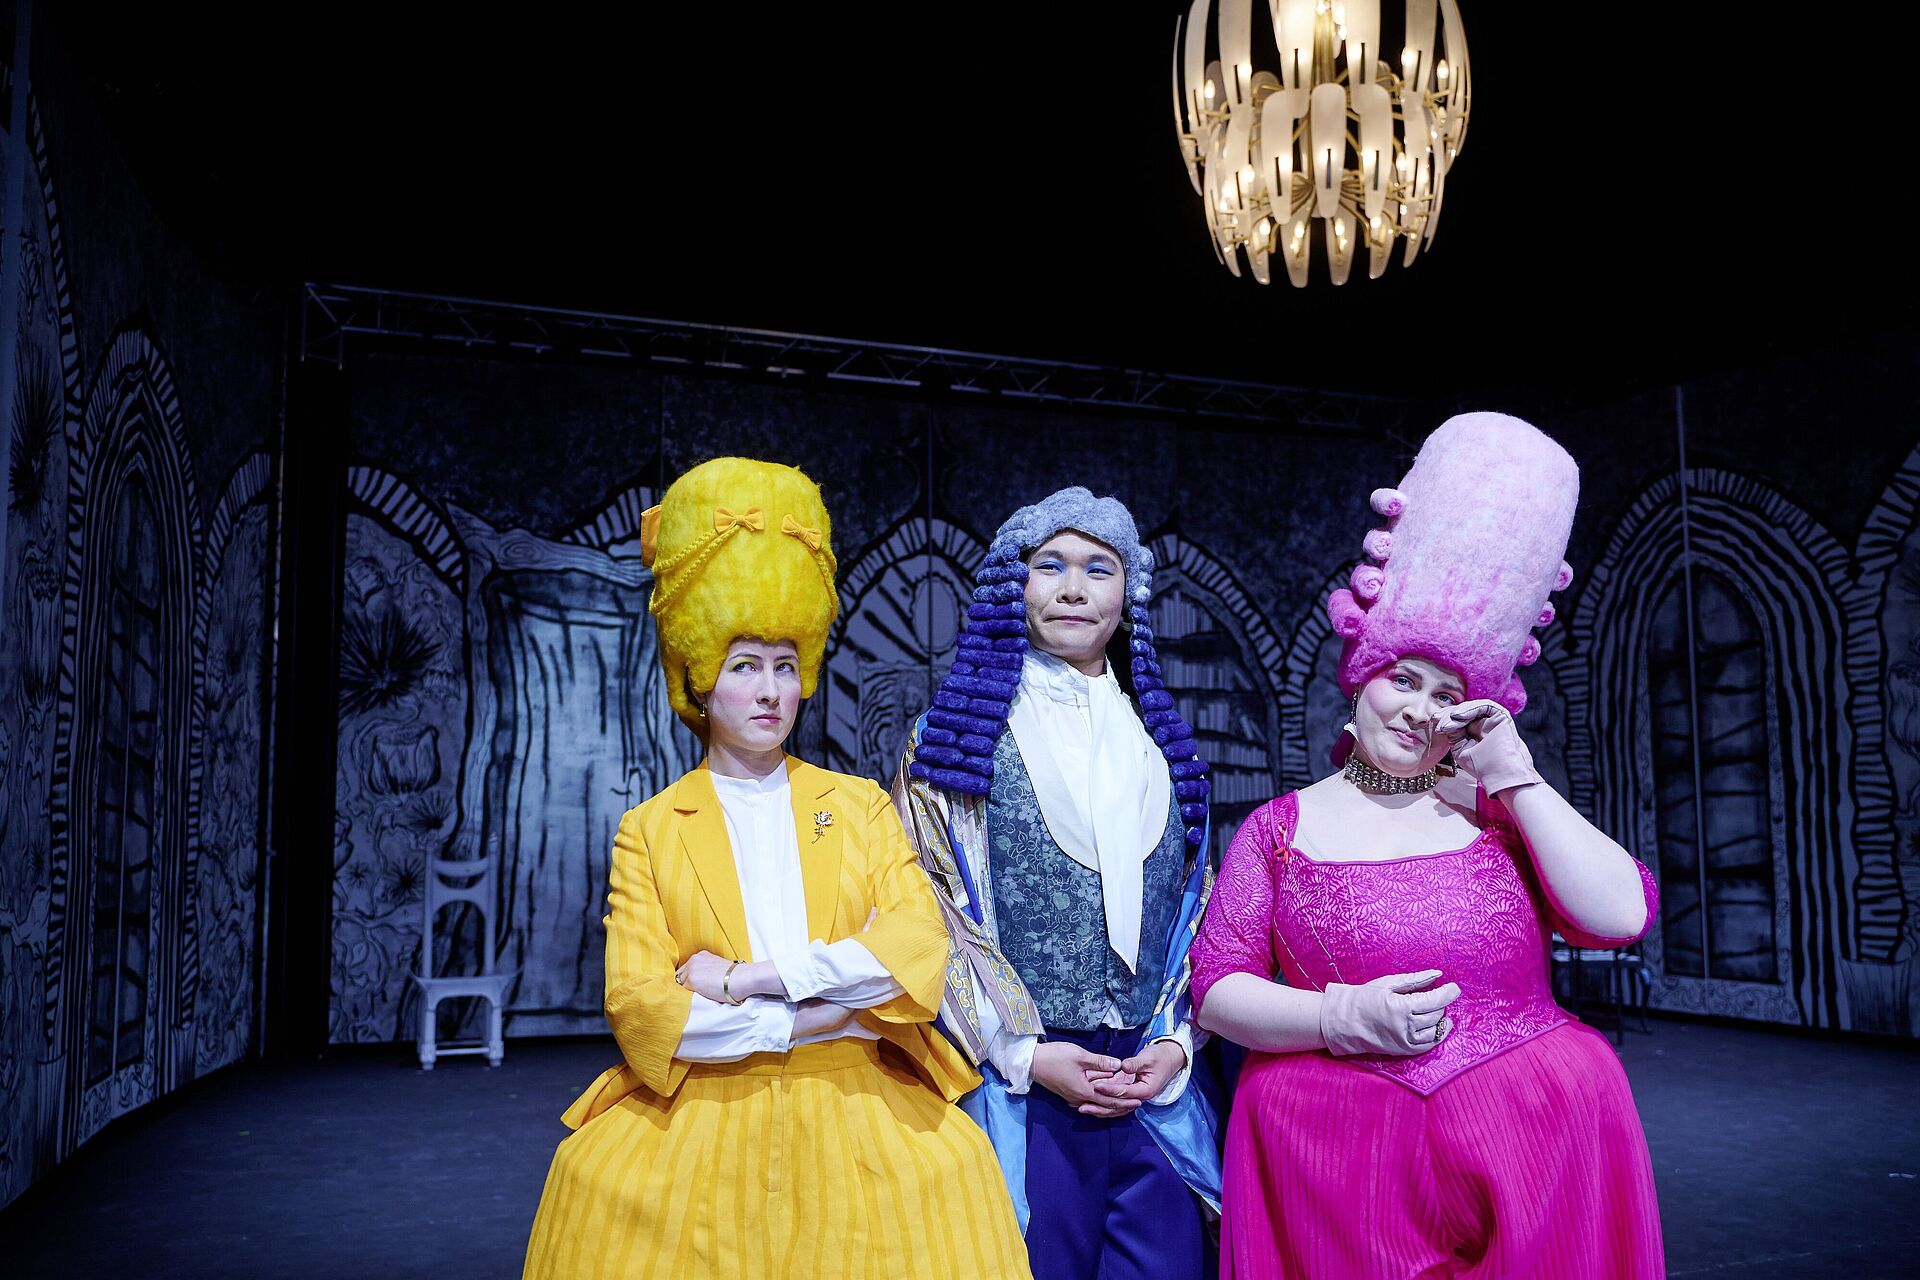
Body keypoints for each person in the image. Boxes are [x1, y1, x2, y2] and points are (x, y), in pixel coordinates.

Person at [523, 457, 1028, 1280]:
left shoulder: (859, 805)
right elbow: (643, 1007)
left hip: (859, 1094)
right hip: (706, 1099)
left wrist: (748, 980)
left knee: (954, 1175)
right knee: (596, 1189)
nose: (769, 690)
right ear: (699, 677)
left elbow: (916, 952)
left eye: (785, 666)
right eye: (744, 665)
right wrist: (812, 1017)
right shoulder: (650, 830)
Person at [1191, 413, 1665, 1279]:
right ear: (1360, 680)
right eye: (1402, 679)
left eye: (1447, 694)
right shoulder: (1280, 829)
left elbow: (1620, 915)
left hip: (1536, 1136)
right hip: (1337, 1156)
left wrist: (1515, 776)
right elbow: (1217, 990)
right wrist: (1340, 1018)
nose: (1418, 709)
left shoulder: (1501, 815)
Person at [893, 486, 1222, 1280]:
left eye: (1098, 569)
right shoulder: (954, 745)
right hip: (1021, 1093)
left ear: (1128, 594)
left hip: (1150, 1092)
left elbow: (1197, 911)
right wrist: (1023, 1053)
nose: (1074, 588)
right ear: (1015, 583)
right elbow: (924, 913)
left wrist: (1174, 1045)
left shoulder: (1163, 751)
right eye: (1051, 566)